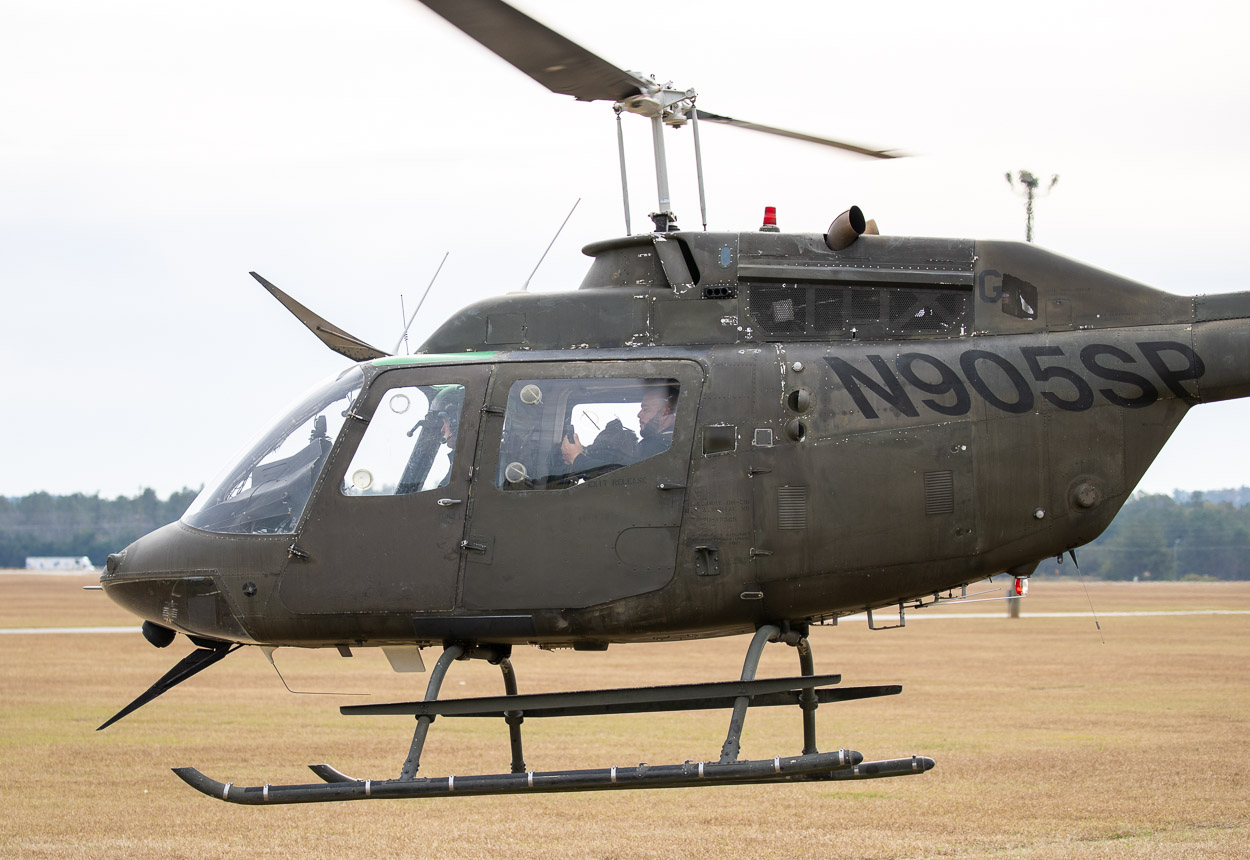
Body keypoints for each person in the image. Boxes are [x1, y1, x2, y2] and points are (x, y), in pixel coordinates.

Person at [559, 382, 677, 471]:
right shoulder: (663, 443)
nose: (639, 414)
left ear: (665, 412)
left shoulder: (660, 446)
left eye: (645, 409)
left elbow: (625, 474)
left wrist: (577, 459)